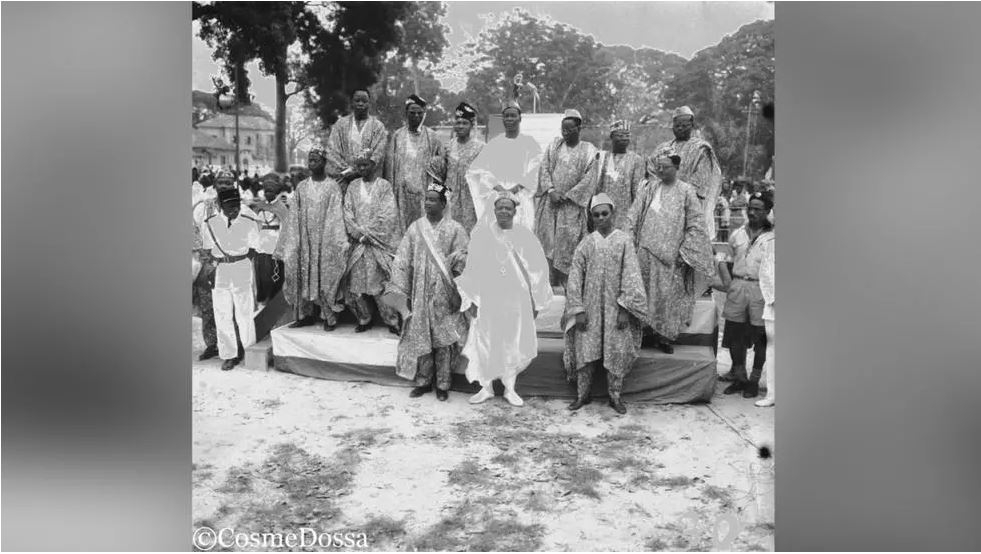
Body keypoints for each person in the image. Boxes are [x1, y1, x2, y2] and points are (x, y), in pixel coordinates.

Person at [455, 194, 553, 407]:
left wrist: (536, 300)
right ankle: (486, 387)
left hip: (515, 299)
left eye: (508, 208)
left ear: (515, 211)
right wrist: (471, 298)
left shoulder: (525, 236)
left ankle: (510, 388)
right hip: (489, 297)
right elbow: (472, 268)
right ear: (494, 209)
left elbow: (537, 268)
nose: (504, 212)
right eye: (500, 208)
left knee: (512, 341)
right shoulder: (482, 235)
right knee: (485, 340)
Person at [562, 193, 648, 414]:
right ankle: (583, 395)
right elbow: (574, 278)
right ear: (591, 217)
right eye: (596, 215)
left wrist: (624, 310)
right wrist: (578, 310)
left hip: (615, 309)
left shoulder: (623, 241)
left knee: (616, 351)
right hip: (589, 310)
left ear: (613, 213)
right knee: (585, 351)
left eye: (604, 213)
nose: (601, 218)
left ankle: (615, 396)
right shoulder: (586, 243)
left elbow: (631, 275)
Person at [624, 149, 716, 354]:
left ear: (676, 167)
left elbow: (696, 224)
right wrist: (628, 239)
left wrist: (686, 252)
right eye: (658, 167)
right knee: (644, 294)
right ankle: (643, 334)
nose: (660, 171)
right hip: (645, 253)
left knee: (666, 298)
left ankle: (663, 337)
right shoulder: (649, 188)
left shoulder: (686, 191)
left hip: (671, 257)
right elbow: (633, 214)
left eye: (664, 167)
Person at [387, 183, 470, 401]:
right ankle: (423, 381)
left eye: (433, 199)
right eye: (426, 199)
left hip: (444, 293)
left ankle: (443, 384)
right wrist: (399, 287)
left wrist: (456, 262)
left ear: (443, 204)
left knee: (443, 340)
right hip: (420, 293)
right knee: (421, 334)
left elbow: (464, 256)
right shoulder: (415, 228)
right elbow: (403, 257)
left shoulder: (455, 229)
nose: (427, 203)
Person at [274, 148, 351, 332]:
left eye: (315, 160)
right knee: (300, 272)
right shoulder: (301, 187)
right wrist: (294, 241)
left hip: (325, 240)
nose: (312, 164)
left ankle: (329, 316)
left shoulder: (332, 187)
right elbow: (294, 215)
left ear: (324, 162)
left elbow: (335, 216)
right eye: (310, 160)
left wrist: (334, 241)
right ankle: (304, 315)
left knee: (325, 275)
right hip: (305, 239)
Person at [535, 109, 600, 288]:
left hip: (572, 209)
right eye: (563, 129)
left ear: (579, 129)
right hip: (550, 205)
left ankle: (568, 289)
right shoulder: (554, 146)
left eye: (569, 129)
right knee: (548, 244)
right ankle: (547, 289)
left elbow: (590, 178)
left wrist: (569, 196)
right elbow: (545, 168)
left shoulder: (589, 150)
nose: (565, 133)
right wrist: (550, 190)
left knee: (569, 248)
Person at [201, 182, 261, 371]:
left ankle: (250, 350)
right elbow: (207, 250)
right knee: (222, 314)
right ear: (220, 206)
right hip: (220, 271)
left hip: (241, 267)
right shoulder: (210, 223)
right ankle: (229, 355)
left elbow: (255, 248)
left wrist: (241, 260)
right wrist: (214, 267)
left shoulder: (248, 221)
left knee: (244, 313)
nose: (234, 210)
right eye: (229, 207)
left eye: (236, 205)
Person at [721, 192, 775, 399]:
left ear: (768, 211)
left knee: (761, 337)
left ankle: (754, 380)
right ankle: (740, 378)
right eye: (750, 208)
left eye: (758, 209)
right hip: (738, 288)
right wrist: (728, 283)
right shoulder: (737, 234)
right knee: (735, 335)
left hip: (760, 291)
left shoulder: (773, 237)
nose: (752, 212)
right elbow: (723, 260)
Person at [342, 150, 402, 334]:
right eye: (358, 165)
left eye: (365, 164)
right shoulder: (352, 186)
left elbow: (389, 213)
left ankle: (391, 321)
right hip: (358, 244)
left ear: (373, 165)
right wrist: (358, 234)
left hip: (376, 244)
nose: (362, 168)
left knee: (380, 285)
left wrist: (369, 234)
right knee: (356, 286)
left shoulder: (384, 186)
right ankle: (364, 318)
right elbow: (347, 212)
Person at [464, 100, 541, 231]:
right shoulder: (494, 143)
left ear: (520, 118)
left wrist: (513, 191)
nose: (509, 119)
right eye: (506, 116)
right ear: (503, 119)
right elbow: (480, 170)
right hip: (497, 197)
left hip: (521, 196)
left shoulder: (530, 143)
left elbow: (534, 171)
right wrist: (501, 191)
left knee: (521, 236)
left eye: (513, 116)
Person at [656, 106, 723, 244]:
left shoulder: (701, 149)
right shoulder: (662, 148)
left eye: (684, 125)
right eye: (677, 125)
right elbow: (653, 174)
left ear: (692, 125)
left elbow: (699, 184)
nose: (680, 128)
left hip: (687, 209)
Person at [385, 94, 444, 232]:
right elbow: (389, 167)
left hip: (423, 193)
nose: (416, 116)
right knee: (402, 229)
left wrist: (437, 162)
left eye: (420, 113)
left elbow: (442, 166)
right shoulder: (397, 136)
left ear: (424, 114)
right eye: (412, 113)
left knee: (423, 229)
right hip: (401, 194)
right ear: (406, 113)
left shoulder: (432, 137)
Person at [430, 102, 484, 233]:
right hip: (451, 199)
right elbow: (439, 176)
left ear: (471, 125)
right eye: (458, 123)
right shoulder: (448, 147)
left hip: (471, 200)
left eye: (464, 123)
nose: (460, 126)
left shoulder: (481, 148)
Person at [324, 88, 389, 196]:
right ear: (351, 103)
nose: (360, 104)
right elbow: (332, 150)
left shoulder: (378, 127)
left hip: (369, 181)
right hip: (344, 181)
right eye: (357, 100)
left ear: (369, 103)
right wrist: (347, 171)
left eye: (364, 101)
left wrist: (360, 171)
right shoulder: (341, 124)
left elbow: (378, 153)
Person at [248, 172, 289, 305]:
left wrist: (281, 247)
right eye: (266, 191)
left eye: (271, 191)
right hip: (261, 243)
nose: (267, 194)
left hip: (274, 243)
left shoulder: (282, 208)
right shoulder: (260, 206)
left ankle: (273, 300)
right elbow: (254, 225)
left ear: (276, 192)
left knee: (273, 274)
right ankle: (262, 298)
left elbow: (285, 228)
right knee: (261, 272)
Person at [597, 121, 646, 231]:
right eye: (620, 135)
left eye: (627, 135)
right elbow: (597, 187)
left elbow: (638, 192)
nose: (624, 138)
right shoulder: (602, 158)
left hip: (625, 215)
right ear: (611, 136)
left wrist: (635, 217)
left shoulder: (636, 160)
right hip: (603, 214)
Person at [192, 172, 220, 361]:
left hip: (230, 261)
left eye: (229, 182)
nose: (225, 186)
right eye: (221, 182)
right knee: (207, 305)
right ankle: (212, 344)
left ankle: (235, 345)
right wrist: (203, 258)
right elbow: (194, 232)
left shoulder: (237, 207)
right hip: (207, 260)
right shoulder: (201, 207)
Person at [755, 207, 775, 408]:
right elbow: (766, 273)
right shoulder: (771, 242)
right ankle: (772, 394)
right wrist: (773, 297)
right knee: (773, 349)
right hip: (774, 304)